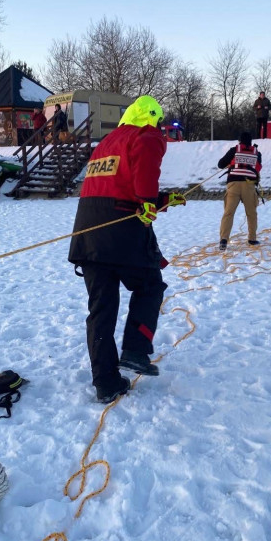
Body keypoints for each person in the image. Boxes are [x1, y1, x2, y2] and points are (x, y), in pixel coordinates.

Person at [68, 95, 186, 404]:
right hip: (120, 231)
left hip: (87, 234)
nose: (158, 128)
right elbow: (142, 179)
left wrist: (163, 200)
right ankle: (135, 349)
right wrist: (148, 200)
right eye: (157, 121)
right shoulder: (145, 134)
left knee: (101, 309)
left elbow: (120, 184)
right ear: (150, 117)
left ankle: (106, 382)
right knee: (150, 286)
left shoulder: (106, 143)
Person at [217, 131, 262, 251]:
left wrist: (230, 164)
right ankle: (252, 239)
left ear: (239, 141)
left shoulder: (234, 150)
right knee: (251, 213)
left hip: (233, 184)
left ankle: (223, 240)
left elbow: (220, 164)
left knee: (228, 213)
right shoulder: (257, 153)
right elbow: (258, 168)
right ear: (251, 142)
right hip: (249, 186)